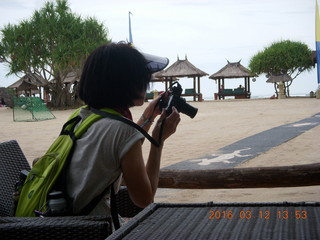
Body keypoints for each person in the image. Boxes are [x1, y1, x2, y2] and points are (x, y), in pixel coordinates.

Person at [65, 42, 180, 224]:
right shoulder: (122, 130)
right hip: (94, 229)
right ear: (126, 82)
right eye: (141, 78)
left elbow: (117, 149)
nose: (146, 84)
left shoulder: (81, 117)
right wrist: (158, 141)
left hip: (63, 223)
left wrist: (148, 117)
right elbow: (144, 200)